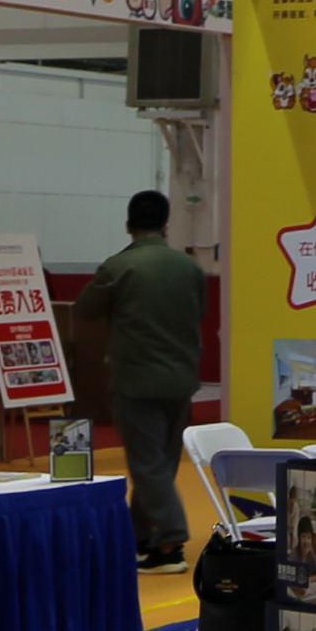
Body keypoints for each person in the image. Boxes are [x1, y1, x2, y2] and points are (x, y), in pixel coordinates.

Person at [75, 187, 206, 569]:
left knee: (148, 466)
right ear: (166, 226)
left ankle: (171, 543)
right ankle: (140, 539)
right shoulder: (190, 267)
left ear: (129, 225)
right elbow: (199, 312)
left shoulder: (119, 267)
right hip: (181, 379)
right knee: (160, 465)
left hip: (136, 380)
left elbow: (85, 309)